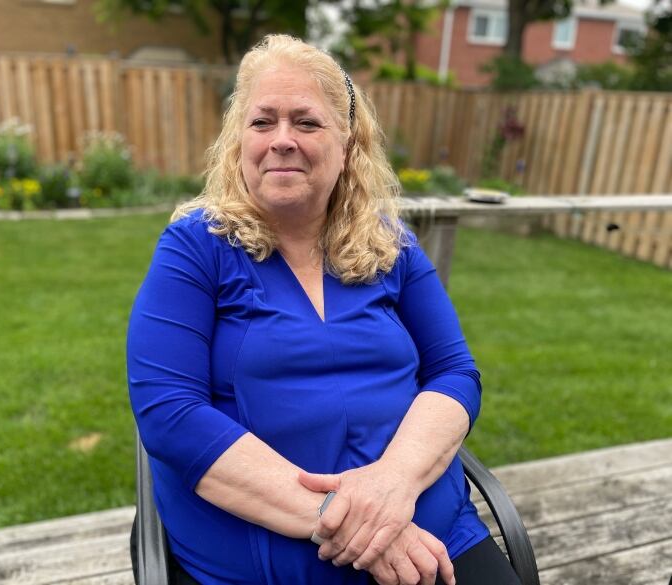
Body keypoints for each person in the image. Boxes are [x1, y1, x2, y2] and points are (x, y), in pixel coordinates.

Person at [127, 34, 521, 585]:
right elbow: (169, 412)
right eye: (262, 122)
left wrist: (392, 485)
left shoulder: (392, 245)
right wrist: (354, 524)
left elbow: (455, 373)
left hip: (431, 538)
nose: (281, 140)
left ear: (347, 145)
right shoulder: (196, 247)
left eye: (307, 123)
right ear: (239, 140)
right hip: (264, 563)